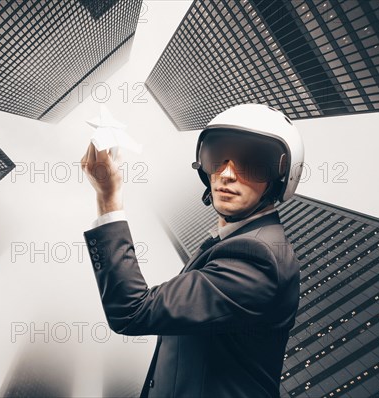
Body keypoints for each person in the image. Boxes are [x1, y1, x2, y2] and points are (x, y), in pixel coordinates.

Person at [80, 103, 304, 398]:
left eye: (252, 163)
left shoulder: (258, 257)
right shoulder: (229, 244)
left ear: (279, 179)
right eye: (217, 157)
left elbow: (131, 311)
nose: (226, 174)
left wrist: (109, 197)